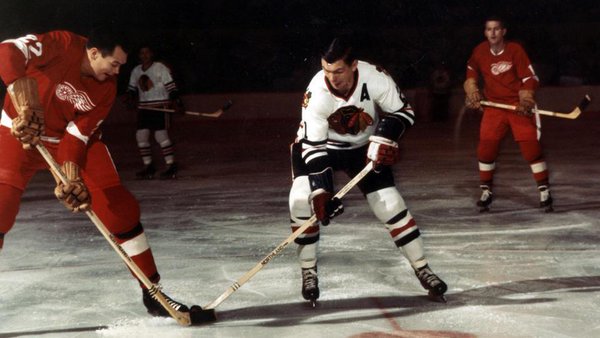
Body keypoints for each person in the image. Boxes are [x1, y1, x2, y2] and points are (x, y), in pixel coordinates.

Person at [0, 29, 210, 321]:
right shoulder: (62, 44)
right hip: (16, 134)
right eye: (115, 63)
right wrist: (25, 98)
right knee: (1, 209)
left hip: (67, 141)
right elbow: (7, 50)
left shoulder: (107, 87)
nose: (118, 71)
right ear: (94, 52)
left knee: (120, 210)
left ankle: (152, 291)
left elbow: (77, 136)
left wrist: (71, 177)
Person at [288, 37, 447, 305]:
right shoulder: (316, 93)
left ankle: (423, 268)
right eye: (327, 71)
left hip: (363, 148)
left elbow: (404, 112)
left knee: (390, 204)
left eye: (339, 71)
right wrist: (321, 191)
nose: (333, 79)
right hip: (319, 149)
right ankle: (308, 270)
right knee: (300, 202)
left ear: (354, 65)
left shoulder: (375, 77)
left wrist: (386, 135)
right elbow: (313, 148)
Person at [463, 17, 553, 212]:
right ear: (485, 32)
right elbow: (471, 70)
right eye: (488, 29)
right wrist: (472, 90)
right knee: (485, 149)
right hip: (494, 108)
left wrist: (526, 100)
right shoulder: (479, 51)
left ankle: (544, 190)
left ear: (503, 31)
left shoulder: (515, 50)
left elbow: (530, 77)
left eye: (496, 29)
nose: (492, 33)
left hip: (516, 107)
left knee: (531, 148)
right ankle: (486, 190)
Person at [125, 46, 183, 180]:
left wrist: (178, 102)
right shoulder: (136, 70)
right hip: (144, 108)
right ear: (139, 55)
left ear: (152, 54)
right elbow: (132, 88)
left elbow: (171, 86)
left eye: (147, 52)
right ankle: (148, 166)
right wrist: (129, 98)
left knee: (160, 135)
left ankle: (171, 165)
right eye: (142, 53)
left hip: (160, 106)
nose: (144, 55)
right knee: (141, 136)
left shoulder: (160, 68)